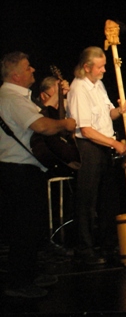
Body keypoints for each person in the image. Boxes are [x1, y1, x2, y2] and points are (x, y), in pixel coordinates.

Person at [1, 52, 76, 298]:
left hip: (22, 169)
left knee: (30, 227)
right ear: (16, 75)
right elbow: (41, 125)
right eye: (27, 67)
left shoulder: (16, 97)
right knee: (24, 228)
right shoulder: (12, 98)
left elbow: (42, 116)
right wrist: (65, 125)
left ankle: (29, 275)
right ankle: (19, 283)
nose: (33, 69)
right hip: (18, 170)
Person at [67, 46, 126, 265]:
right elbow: (85, 129)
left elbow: (108, 114)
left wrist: (120, 110)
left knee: (108, 199)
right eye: (100, 67)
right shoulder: (79, 89)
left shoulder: (98, 84)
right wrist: (114, 143)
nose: (104, 70)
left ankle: (107, 244)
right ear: (87, 67)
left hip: (104, 145)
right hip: (88, 148)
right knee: (87, 200)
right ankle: (84, 248)